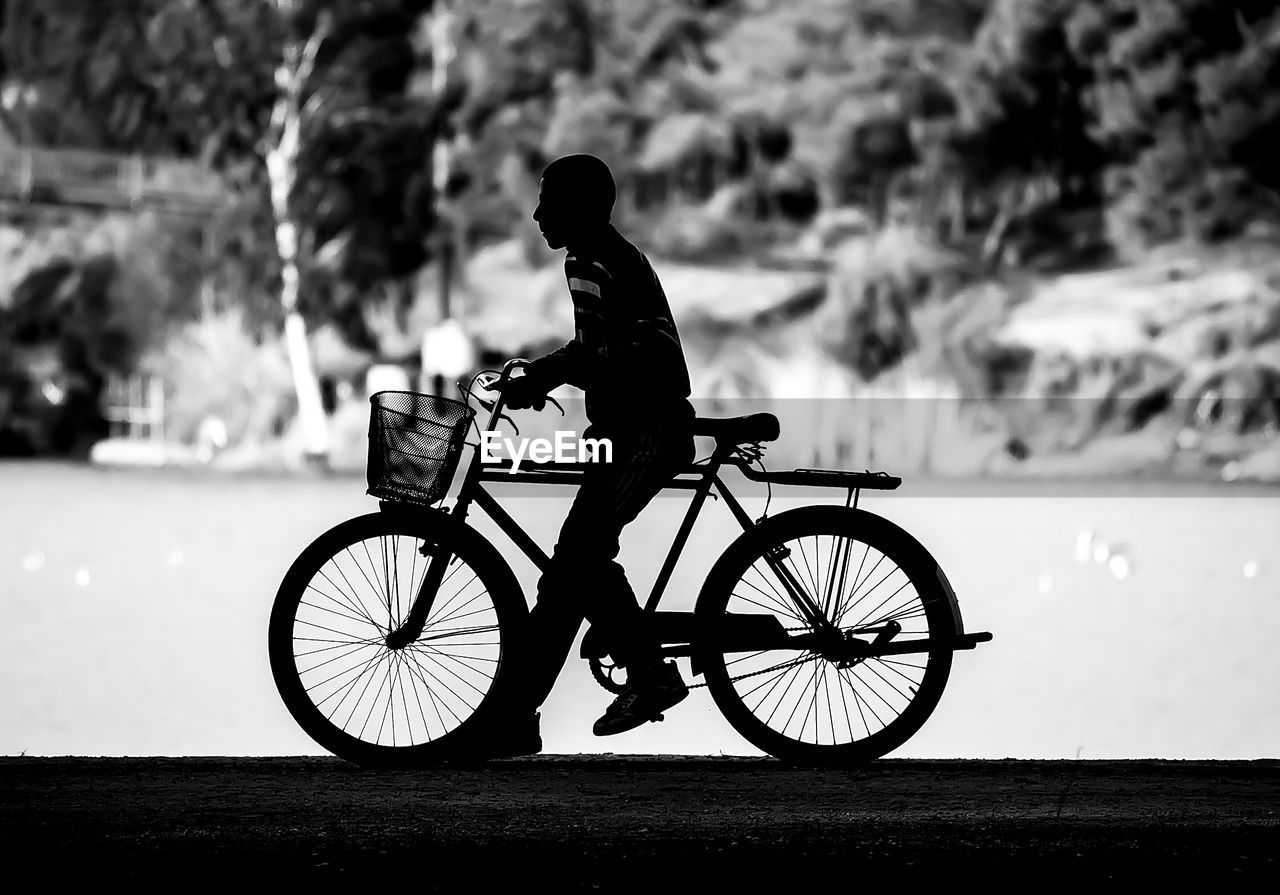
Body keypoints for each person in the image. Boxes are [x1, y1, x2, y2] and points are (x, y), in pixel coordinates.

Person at [487, 153, 696, 754]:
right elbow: (596, 349)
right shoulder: (605, 254)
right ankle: (516, 715)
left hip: (647, 433)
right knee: (572, 571)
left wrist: (540, 378)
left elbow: (598, 352)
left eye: (546, 201)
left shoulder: (593, 262)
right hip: (629, 430)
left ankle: (647, 676)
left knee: (574, 565)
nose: (536, 214)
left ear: (577, 209)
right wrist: (545, 375)